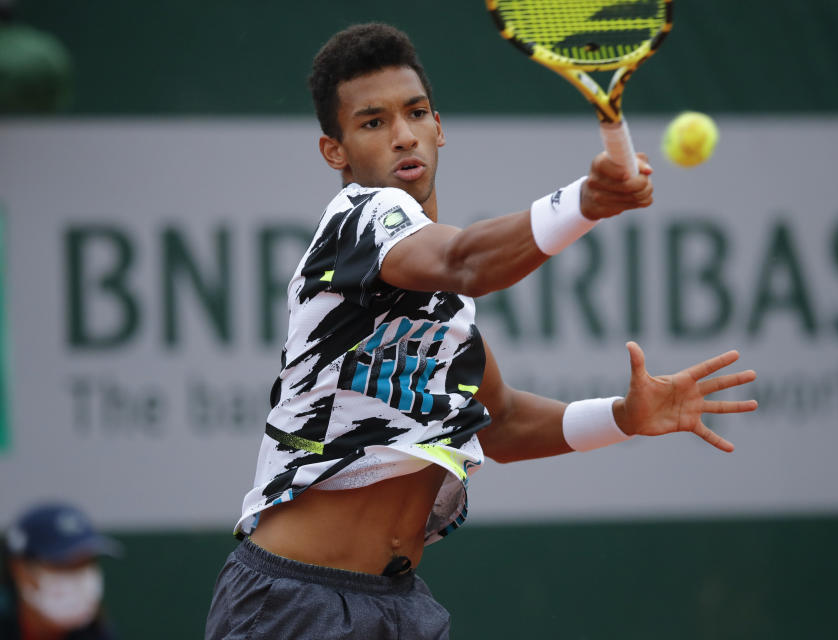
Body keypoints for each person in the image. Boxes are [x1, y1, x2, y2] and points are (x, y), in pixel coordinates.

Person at [205, 23, 757, 639]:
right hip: (296, 602)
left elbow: (504, 422)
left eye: (415, 114)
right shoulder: (359, 218)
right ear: (335, 151)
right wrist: (586, 200)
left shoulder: (445, 313)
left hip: (398, 606)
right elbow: (466, 260)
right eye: (373, 122)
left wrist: (624, 417)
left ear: (440, 126)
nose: (404, 135)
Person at [1, 502, 121, 640]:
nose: (80, 578)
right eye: (62, 564)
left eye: (86, 563)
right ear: (20, 571)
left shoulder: (97, 633)